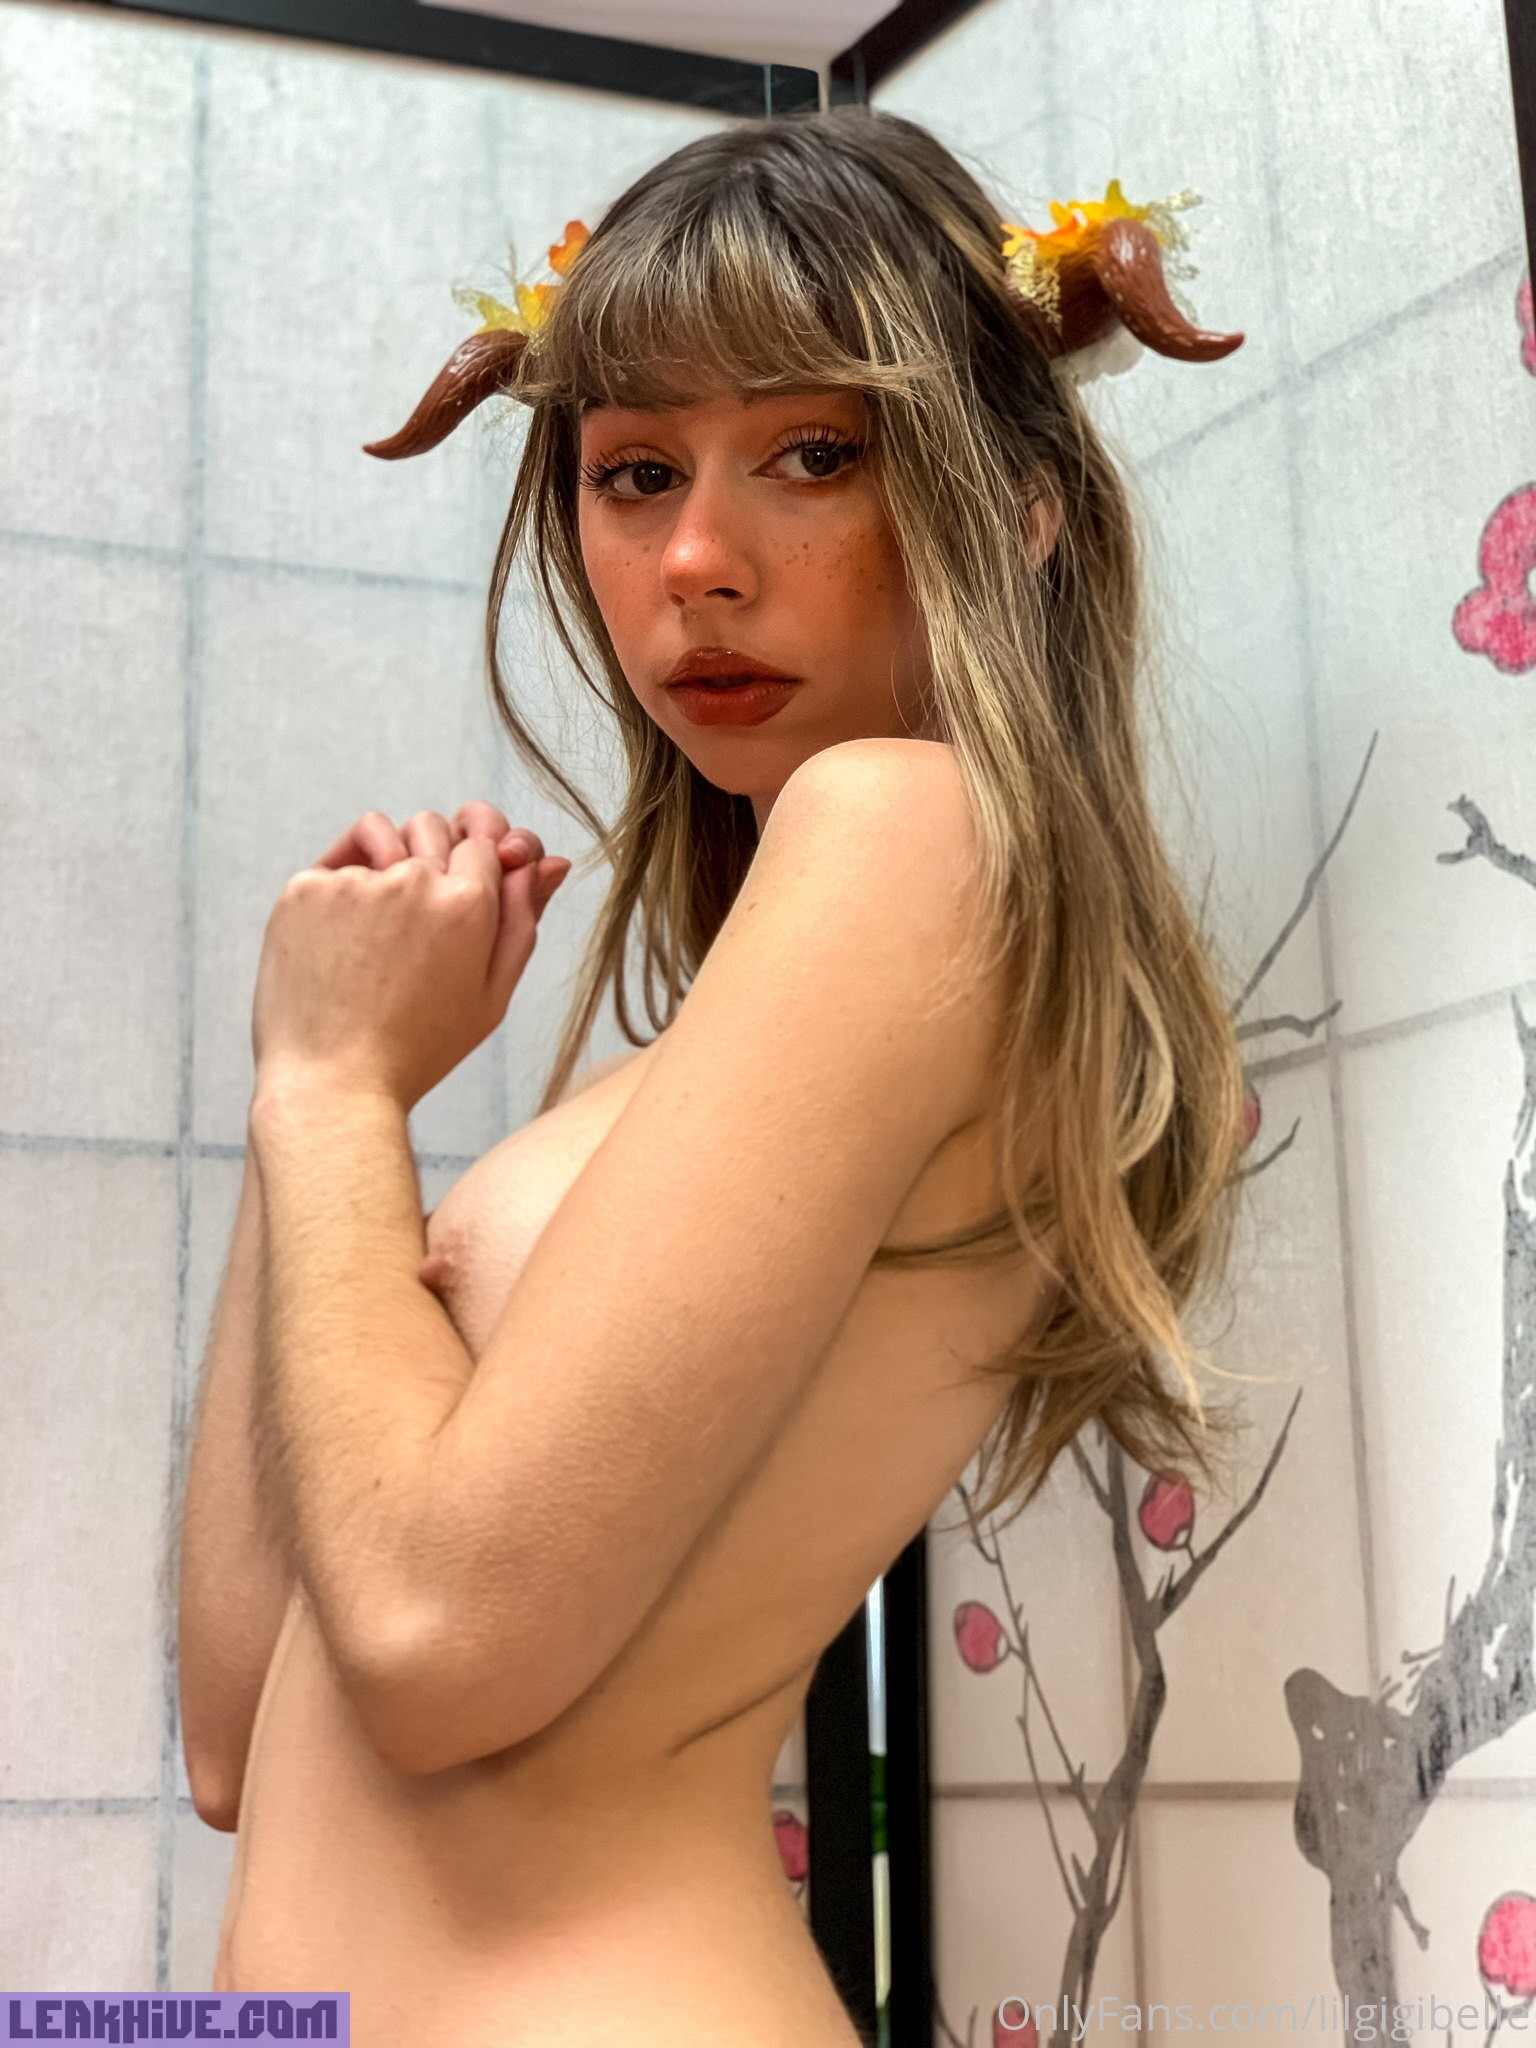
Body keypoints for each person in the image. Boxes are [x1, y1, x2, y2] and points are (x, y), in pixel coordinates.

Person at [176, 106, 1247, 2047]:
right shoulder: (693, 1057)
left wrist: (332, 1099)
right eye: (636, 471)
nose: (695, 559)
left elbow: (431, 1642)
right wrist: (316, 1093)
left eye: (816, 455)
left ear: (1021, 502)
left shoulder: (908, 834)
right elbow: (240, 1731)